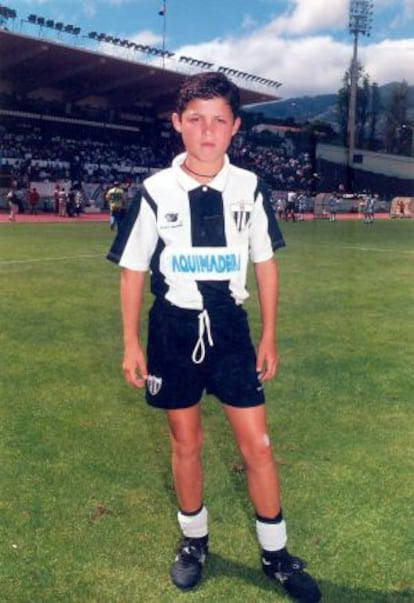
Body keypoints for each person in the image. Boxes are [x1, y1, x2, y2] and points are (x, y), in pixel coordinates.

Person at [107, 72, 321, 603]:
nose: (207, 130)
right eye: (196, 119)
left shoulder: (249, 186)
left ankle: (276, 554)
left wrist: (269, 334)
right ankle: (194, 542)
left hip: (230, 330)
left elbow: (265, 262)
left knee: (258, 445)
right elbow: (133, 270)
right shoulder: (154, 191)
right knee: (186, 442)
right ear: (178, 123)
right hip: (172, 330)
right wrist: (132, 344)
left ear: (235, 127)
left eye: (219, 120)